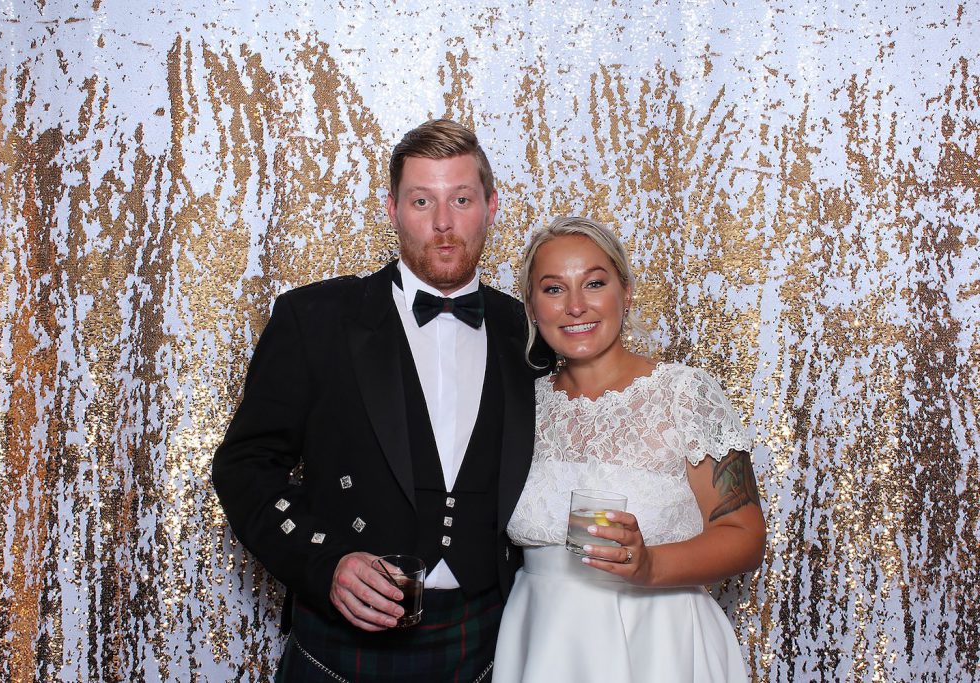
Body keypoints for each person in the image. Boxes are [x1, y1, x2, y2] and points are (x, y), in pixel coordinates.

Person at [213, 119, 549, 682]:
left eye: (461, 199)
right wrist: (327, 565)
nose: (443, 223)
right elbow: (245, 467)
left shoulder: (532, 333)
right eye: (422, 201)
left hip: (487, 642)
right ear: (392, 209)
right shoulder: (314, 319)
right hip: (340, 647)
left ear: (491, 206)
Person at [492, 216, 767, 682]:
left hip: (659, 643)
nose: (576, 306)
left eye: (594, 283)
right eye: (554, 289)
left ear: (626, 291)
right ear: (532, 307)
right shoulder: (520, 407)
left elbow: (745, 535)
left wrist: (651, 565)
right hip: (543, 640)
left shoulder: (686, 394)